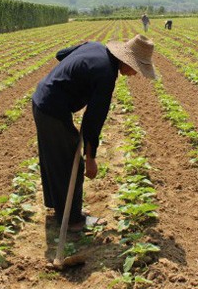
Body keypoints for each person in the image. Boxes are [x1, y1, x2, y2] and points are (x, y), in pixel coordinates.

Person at [32, 34, 156, 231]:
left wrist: (80, 73)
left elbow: (61, 54)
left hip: (42, 98)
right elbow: (93, 120)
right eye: (137, 68)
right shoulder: (106, 74)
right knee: (70, 162)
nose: (135, 74)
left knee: (54, 159)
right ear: (126, 60)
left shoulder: (94, 47)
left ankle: (60, 208)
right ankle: (73, 221)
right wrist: (90, 158)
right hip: (52, 109)